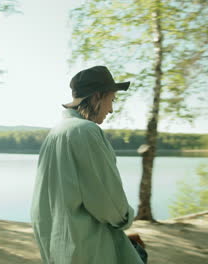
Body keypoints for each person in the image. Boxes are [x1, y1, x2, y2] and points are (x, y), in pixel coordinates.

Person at [30, 66, 147, 264]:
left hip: (58, 247)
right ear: (97, 97)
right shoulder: (86, 131)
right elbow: (109, 204)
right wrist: (126, 217)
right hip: (86, 250)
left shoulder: (56, 132)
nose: (111, 109)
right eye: (112, 100)